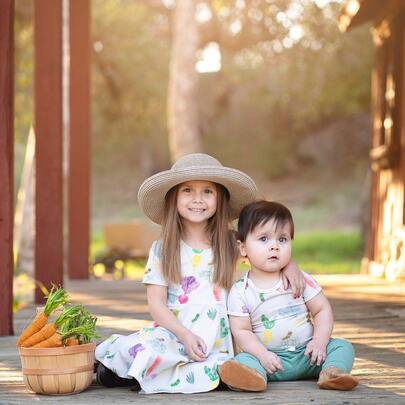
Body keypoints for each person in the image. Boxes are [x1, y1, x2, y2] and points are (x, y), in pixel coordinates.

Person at [95, 154, 304, 394]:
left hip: (216, 340)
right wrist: (184, 335)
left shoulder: (230, 242)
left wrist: (290, 265)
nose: (198, 199)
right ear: (174, 198)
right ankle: (118, 369)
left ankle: (141, 373)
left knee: (221, 366)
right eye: (187, 191)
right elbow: (157, 305)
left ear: (220, 198)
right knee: (152, 348)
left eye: (207, 191)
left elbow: (268, 250)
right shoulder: (163, 249)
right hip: (175, 333)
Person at [219, 200, 359, 392]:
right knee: (243, 360)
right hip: (269, 360)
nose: (274, 246)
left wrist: (319, 342)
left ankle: (331, 372)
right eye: (263, 239)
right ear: (242, 247)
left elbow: (321, 310)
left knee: (342, 347)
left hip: (309, 354)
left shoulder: (300, 280)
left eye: (282, 239)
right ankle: (253, 377)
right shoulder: (240, 291)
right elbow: (242, 331)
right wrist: (262, 355)